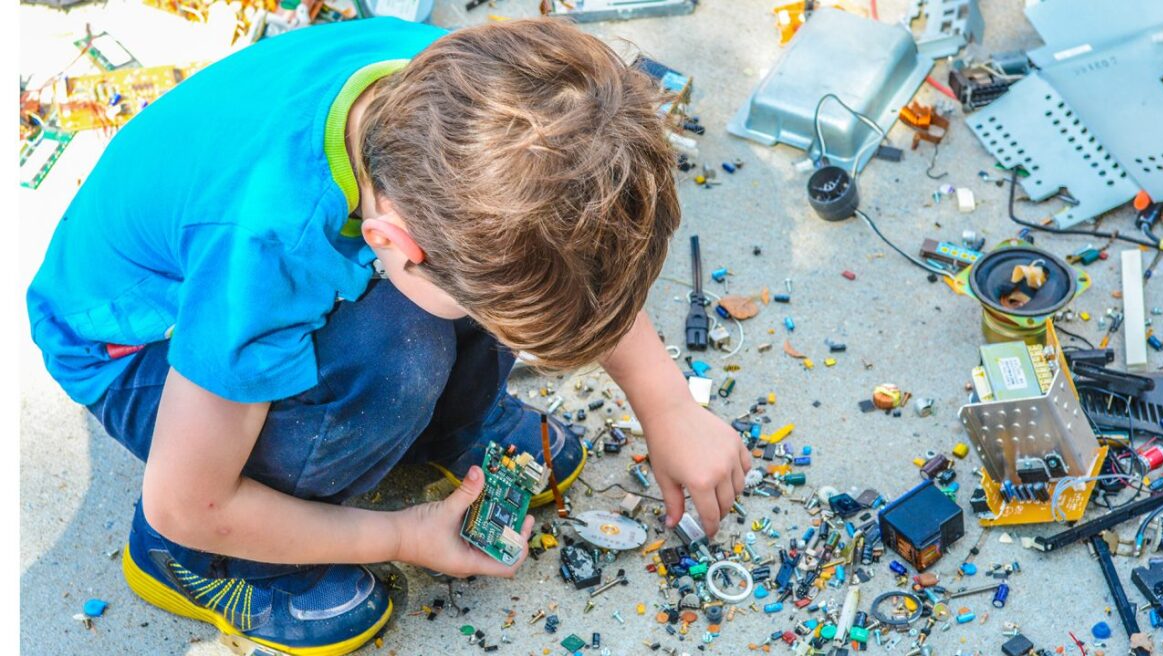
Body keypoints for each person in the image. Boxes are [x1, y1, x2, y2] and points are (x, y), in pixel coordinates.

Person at [26, 16, 751, 655]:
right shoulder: (267, 248)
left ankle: (446, 427)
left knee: (466, 293)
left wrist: (669, 407)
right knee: (393, 360)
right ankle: (193, 565)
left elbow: (575, 253)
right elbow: (185, 498)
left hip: (259, 275)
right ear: (389, 241)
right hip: (143, 348)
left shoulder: (480, 101)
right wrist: (403, 536)